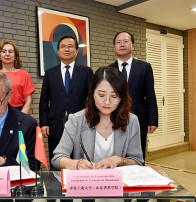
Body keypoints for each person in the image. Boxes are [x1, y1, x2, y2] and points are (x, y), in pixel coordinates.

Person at [51, 66, 144, 170]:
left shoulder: (131, 121)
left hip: (117, 183)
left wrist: (120, 160)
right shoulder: (76, 120)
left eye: (114, 96)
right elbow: (58, 158)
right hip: (86, 183)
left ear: (122, 98)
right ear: (92, 93)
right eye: (101, 95)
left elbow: (137, 161)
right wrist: (77, 164)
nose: (107, 102)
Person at [39, 35, 93, 168]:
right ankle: (56, 187)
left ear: (77, 50)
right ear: (58, 51)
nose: (66, 49)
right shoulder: (50, 73)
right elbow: (44, 101)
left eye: (70, 46)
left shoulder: (86, 72)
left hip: (81, 124)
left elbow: (91, 99)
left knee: (80, 161)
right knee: (56, 161)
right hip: (55, 125)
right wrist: (44, 123)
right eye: (63, 46)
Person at [110, 31, 158, 161]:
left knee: (138, 156)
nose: (122, 45)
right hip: (113, 119)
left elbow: (150, 95)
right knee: (116, 155)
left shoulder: (144, 67)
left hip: (139, 118)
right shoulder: (109, 70)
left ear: (133, 46)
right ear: (114, 47)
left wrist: (152, 120)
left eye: (126, 41)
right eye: (118, 42)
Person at [0, 39, 35, 114]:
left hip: (18, 112)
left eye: (10, 51)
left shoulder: (24, 74)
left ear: (15, 56)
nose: (7, 54)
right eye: (4, 51)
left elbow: (29, 101)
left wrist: (21, 118)